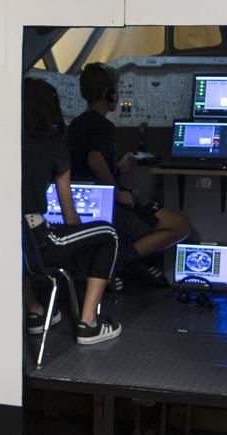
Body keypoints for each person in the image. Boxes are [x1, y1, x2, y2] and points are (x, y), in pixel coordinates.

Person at [67, 62, 191, 286]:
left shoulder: (76, 125)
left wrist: (120, 167)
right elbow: (94, 159)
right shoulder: (102, 126)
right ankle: (117, 260)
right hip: (106, 205)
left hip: (81, 203)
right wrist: (116, 193)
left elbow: (86, 165)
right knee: (180, 226)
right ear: (110, 94)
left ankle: (117, 260)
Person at [23, 77, 122, 344]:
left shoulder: (6, 146)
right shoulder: (54, 146)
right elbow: (69, 216)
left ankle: (34, 311)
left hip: (13, 242)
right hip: (39, 238)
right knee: (109, 234)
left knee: (16, 245)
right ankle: (89, 323)